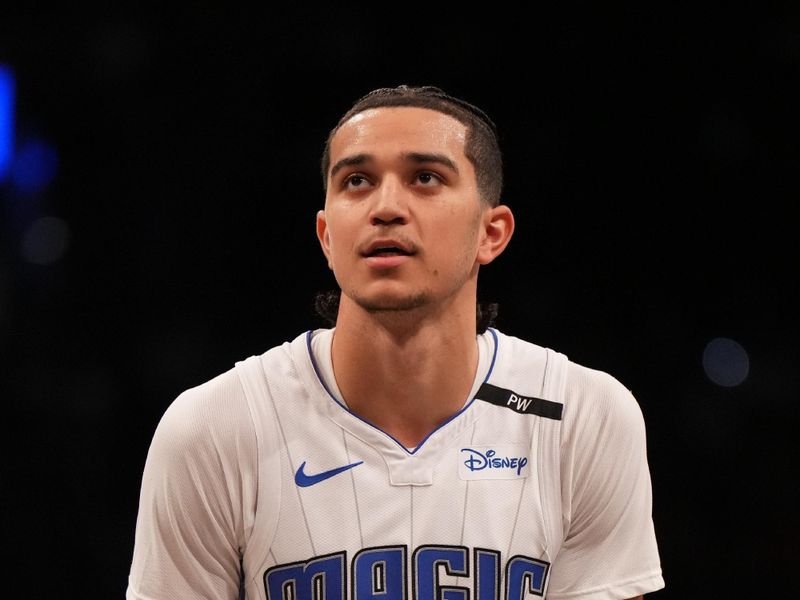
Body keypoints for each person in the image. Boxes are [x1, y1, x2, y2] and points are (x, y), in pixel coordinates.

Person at [126, 84, 665, 600]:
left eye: (425, 177)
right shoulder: (212, 429)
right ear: (327, 237)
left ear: (491, 232)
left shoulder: (583, 417)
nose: (385, 206)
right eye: (356, 181)